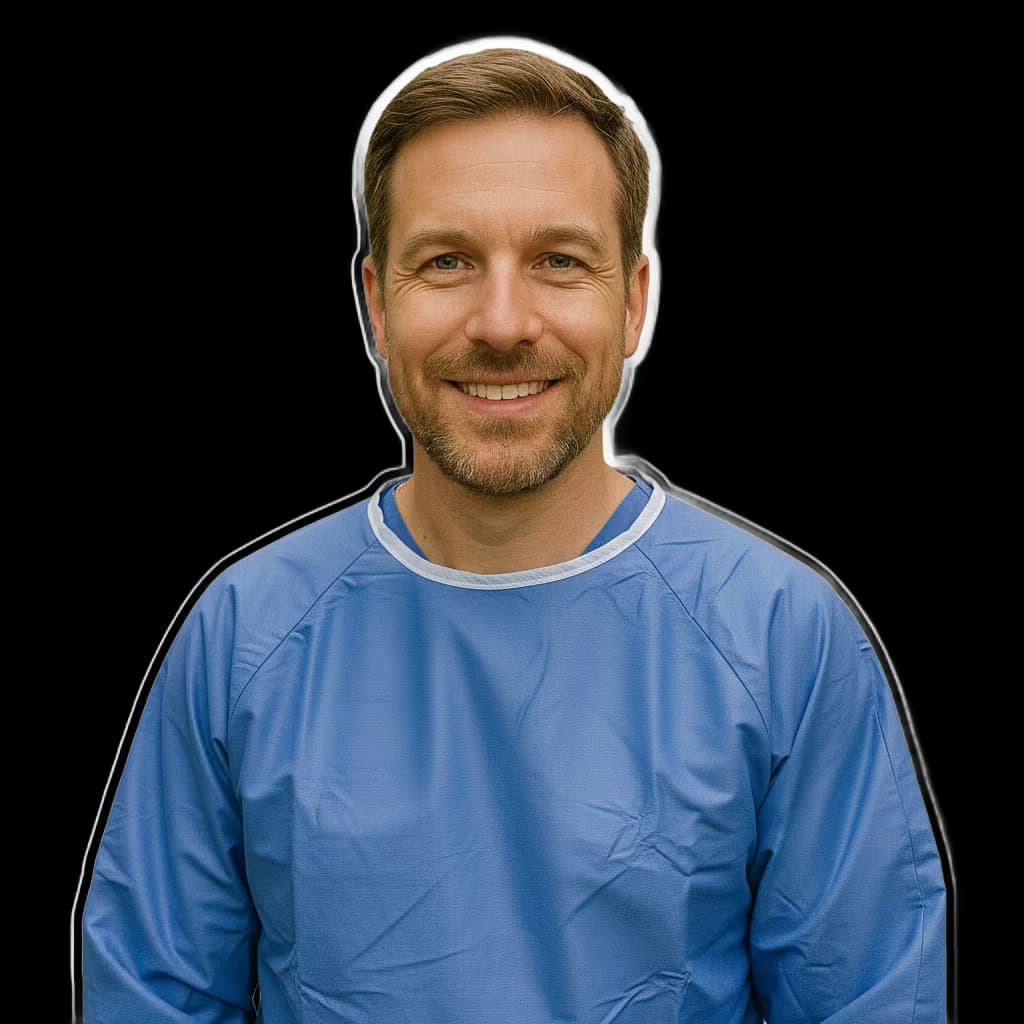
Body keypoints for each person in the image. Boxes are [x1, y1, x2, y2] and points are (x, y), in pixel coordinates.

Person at [79, 42, 947, 1023]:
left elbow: (870, 1003)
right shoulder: (242, 636)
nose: (502, 321)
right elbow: (148, 1001)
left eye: (558, 261)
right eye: (446, 261)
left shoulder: (785, 637)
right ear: (373, 302)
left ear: (634, 300)